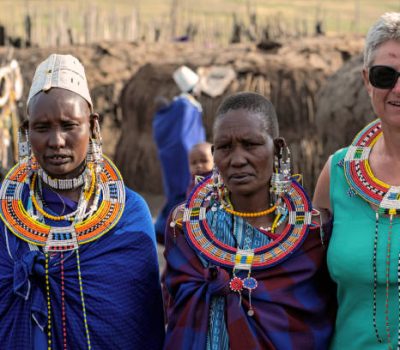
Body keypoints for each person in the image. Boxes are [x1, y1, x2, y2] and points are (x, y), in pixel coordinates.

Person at [0, 54, 165, 349]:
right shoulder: (5, 218)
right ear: (26, 131)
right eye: (42, 128)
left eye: (69, 125)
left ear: (92, 126)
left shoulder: (129, 214)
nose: (57, 141)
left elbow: (137, 325)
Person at [163, 92, 335, 349]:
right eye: (225, 147)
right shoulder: (184, 228)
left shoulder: (312, 234)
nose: (237, 159)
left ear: (277, 149)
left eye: (251, 144)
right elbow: (173, 307)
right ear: (214, 154)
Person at [313, 12, 400, 349]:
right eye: (384, 75)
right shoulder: (337, 174)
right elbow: (303, 277)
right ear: (367, 80)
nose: (397, 88)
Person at [153, 65, 206, 244]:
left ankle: (165, 230)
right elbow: (184, 135)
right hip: (183, 159)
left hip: (183, 157)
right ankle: (165, 231)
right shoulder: (185, 105)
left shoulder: (185, 104)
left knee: (181, 196)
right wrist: (193, 156)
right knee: (182, 194)